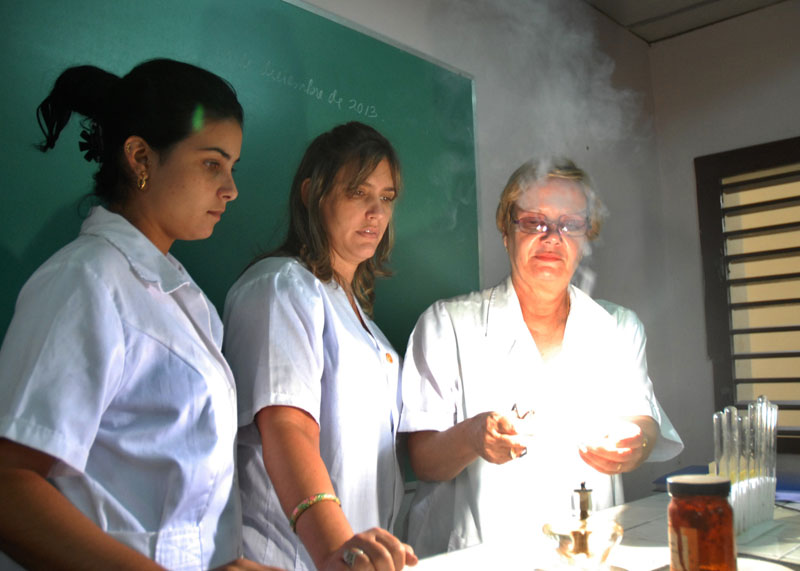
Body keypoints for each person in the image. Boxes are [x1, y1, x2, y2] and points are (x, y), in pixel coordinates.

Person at [0, 58, 276, 570]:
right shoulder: (85, 281)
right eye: (212, 164)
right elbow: (10, 487)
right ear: (141, 157)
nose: (231, 189)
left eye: (232, 167)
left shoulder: (181, 298)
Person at [398, 158, 684, 558]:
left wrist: (636, 442)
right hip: (480, 558)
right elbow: (425, 462)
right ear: (506, 231)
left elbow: (644, 421)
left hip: (587, 556)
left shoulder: (617, 328)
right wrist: (474, 436)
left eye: (570, 224)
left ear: (587, 237)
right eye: (534, 222)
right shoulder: (447, 325)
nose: (552, 237)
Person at [223, 122, 418, 571]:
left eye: (386, 197)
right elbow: (287, 428)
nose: (376, 212)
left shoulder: (362, 322)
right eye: (358, 192)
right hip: (294, 557)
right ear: (312, 194)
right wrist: (338, 549)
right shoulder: (281, 286)